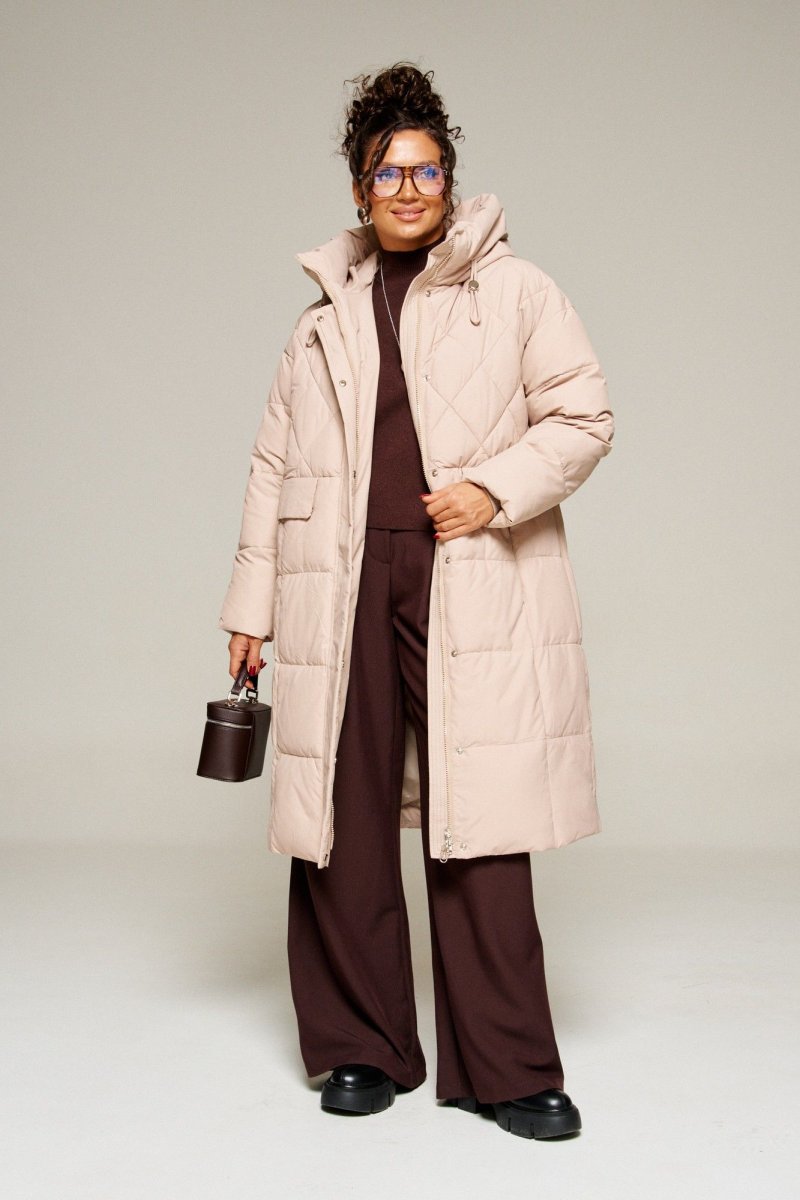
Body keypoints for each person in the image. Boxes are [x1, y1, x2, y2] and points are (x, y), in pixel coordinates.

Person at [217, 62, 613, 1140]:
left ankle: (508, 1068)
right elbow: (273, 468)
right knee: (339, 817)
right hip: (338, 582)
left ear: (449, 181)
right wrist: (250, 609)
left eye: (425, 170)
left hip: (468, 575)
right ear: (359, 188)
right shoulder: (319, 323)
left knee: (478, 815)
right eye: (387, 172)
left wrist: (492, 490)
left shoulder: (517, 292)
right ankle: (362, 1047)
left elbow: (583, 418)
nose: (407, 189)